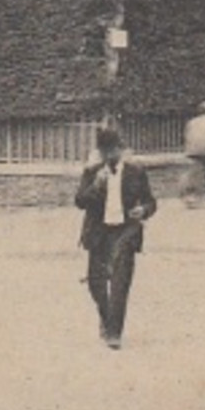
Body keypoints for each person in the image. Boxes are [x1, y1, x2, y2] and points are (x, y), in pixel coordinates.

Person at [74, 128, 158, 350]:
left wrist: (143, 210)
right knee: (96, 283)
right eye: (105, 151)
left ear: (121, 149)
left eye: (114, 150)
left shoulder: (136, 172)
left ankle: (114, 333)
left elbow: (151, 202)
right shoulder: (92, 172)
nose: (110, 155)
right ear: (100, 152)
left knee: (120, 283)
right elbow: (80, 201)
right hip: (99, 233)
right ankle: (106, 317)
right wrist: (96, 186)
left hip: (125, 232)